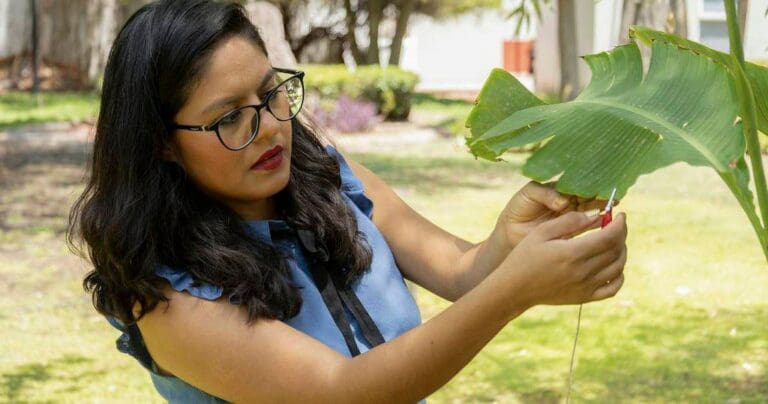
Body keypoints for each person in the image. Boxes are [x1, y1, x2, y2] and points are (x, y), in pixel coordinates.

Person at [66, 0, 628, 402]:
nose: (268, 129)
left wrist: (510, 242)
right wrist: (516, 290)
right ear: (162, 143)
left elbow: (459, 270)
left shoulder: (328, 176)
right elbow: (344, 392)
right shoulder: (168, 299)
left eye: (270, 94)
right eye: (229, 117)